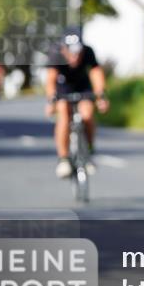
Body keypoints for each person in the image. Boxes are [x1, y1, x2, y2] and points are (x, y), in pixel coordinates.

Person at [44, 30, 109, 179]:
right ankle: (63, 159)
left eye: (78, 52)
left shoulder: (88, 51)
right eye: (71, 53)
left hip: (82, 86)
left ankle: (89, 151)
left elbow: (95, 72)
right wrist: (51, 100)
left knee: (87, 114)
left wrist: (101, 96)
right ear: (64, 49)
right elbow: (51, 79)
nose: (75, 56)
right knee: (64, 115)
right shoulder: (56, 53)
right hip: (63, 87)